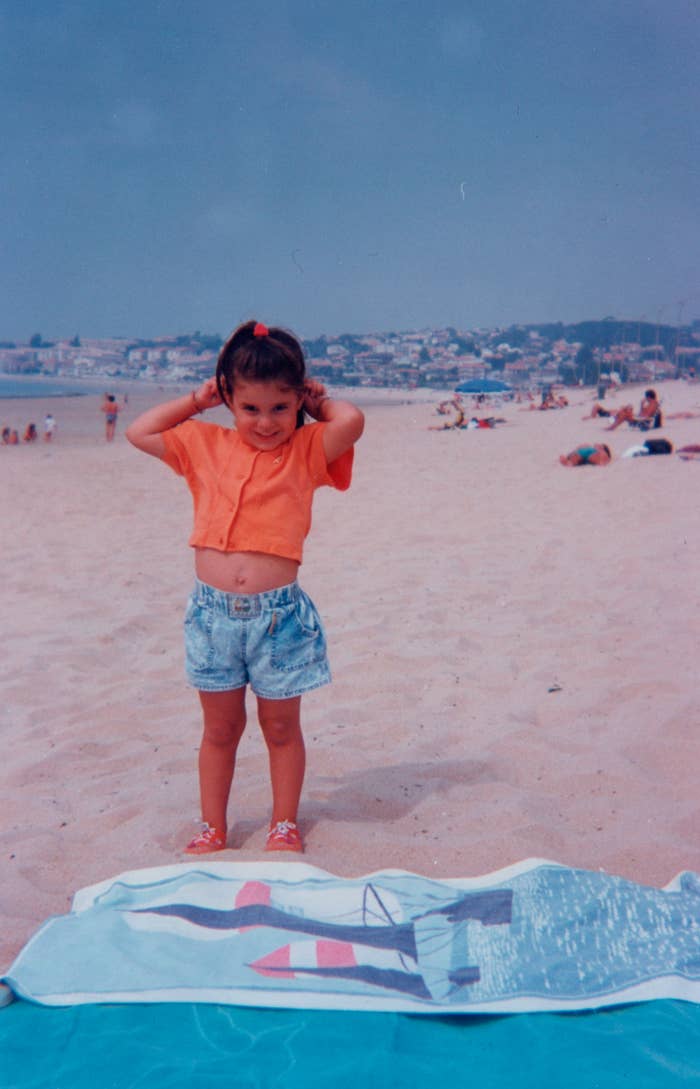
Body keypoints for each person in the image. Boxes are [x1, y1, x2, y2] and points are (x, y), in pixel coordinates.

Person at [126, 320, 364, 856]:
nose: (265, 422)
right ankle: (213, 826)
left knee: (280, 727)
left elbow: (353, 421)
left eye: (280, 408)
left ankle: (284, 822)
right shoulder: (203, 444)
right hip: (211, 618)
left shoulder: (306, 449)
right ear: (229, 400)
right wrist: (197, 399)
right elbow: (138, 432)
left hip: (279, 619)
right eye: (250, 408)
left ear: (297, 401)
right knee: (221, 730)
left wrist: (319, 403)